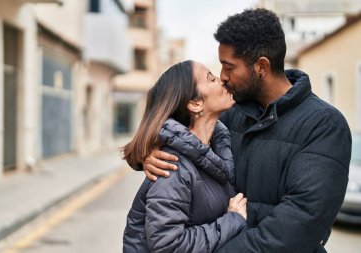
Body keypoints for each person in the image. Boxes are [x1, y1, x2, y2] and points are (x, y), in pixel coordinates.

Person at [140, 9, 352, 253]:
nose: (223, 77)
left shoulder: (323, 125)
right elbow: (180, 130)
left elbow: (300, 222)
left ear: (261, 66)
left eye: (229, 67)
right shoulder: (230, 115)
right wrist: (149, 152)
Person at [122, 60, 248, 253]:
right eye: (211, 78)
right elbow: (168, 246)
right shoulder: (172, 167)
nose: (221, 80)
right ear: (195, 104)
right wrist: (233, 220)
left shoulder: (217, 148)